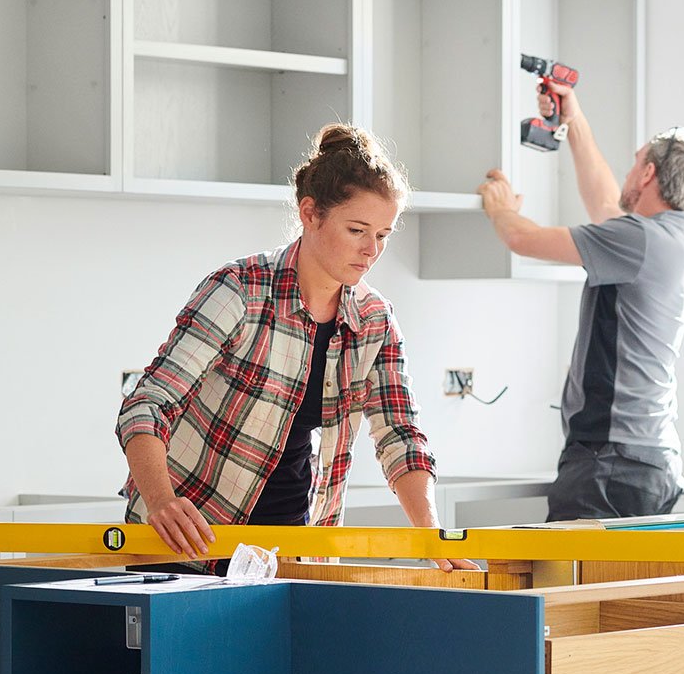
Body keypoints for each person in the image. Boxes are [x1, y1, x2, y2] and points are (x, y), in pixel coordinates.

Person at [116, 123, 474, 573]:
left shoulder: (374, 321)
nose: (371, 250)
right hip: (188, 542)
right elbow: (146, 405)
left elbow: (400, 437)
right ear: (310, 213)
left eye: (383, 235)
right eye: (358, 230)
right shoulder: (240, 290)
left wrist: (431, 536)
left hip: (291, 551)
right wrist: (161, 502)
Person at [477, 84, 684, 522]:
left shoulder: (637, 239)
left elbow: (522, 239)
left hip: (610, 463)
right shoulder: (668, 242)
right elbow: (605, 203)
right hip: (643, 460)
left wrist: (500, 207)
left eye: (634, 163)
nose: (627, 173)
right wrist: (574, 119)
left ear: (647, 175)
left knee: (568, 588)